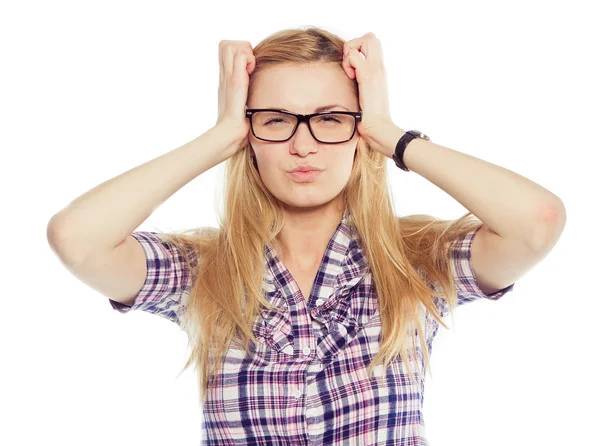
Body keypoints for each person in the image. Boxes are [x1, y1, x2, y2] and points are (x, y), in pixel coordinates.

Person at [49, 26, 552, 445]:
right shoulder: (201, 271)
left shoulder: (414, 262)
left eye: (331, 119)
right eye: (276, 120)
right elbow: (76, 238)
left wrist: (390, 133)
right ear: (251, 137)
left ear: (358, 133)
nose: (303, 145)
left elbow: (537, 222)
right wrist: (219, 137)